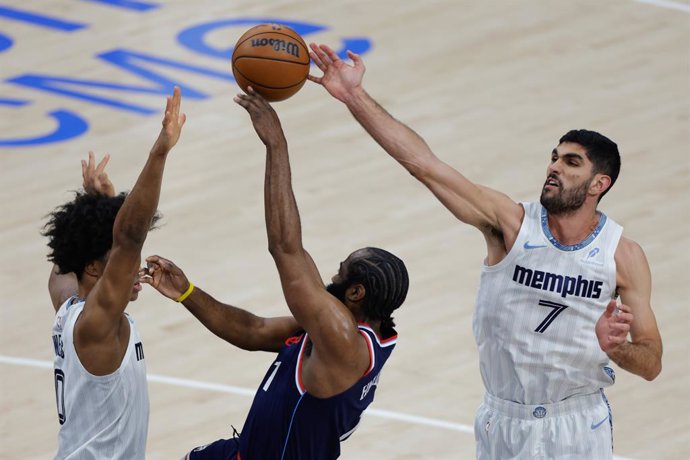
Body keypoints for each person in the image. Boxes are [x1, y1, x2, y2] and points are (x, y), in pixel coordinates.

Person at [307, 43, 663, 459]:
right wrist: (353, 96)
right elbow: (424, 164)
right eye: (553, 158)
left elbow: (652, 363)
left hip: (578, 423)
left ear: (598, 184)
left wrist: (615, 347)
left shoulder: (623, 256)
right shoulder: (510, 225)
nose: (554, 168)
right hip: (502, 420)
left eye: (571, 163)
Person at [140, 87, 409, 460]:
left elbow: (286, 247)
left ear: (357, 292)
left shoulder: (341, 340)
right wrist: (187, 293)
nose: (331, 277)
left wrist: (276, 146)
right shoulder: (338, 330)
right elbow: (253, 331)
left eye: (341, 272)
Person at [44, 87, 186, 459]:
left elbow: (66, 257)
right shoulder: (97, 324)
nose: (132, 268)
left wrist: (99, 206)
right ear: (92, 267)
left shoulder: (67, 303)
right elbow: (130, 236)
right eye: (118, 261)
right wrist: (160, 151)